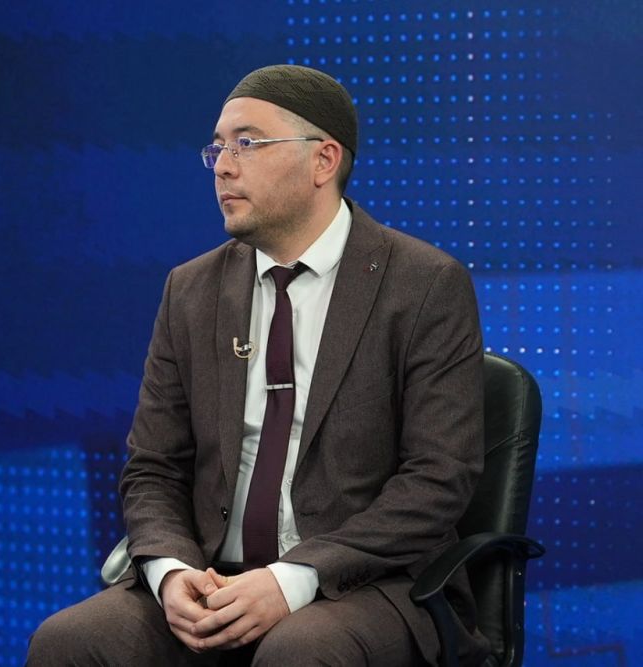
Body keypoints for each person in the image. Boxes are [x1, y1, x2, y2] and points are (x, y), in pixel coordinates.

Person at [27, 64, 490, 666]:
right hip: (214, 575)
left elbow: (438, 479)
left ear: (323, 160)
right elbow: (153, 467)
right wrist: (170, 571)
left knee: (299, 651)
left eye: (247, 143)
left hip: (368, 582)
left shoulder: (424, 285)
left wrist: (293, 578)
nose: (223, 166)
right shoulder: (191, 290)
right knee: (69, 642)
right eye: (217, 148)